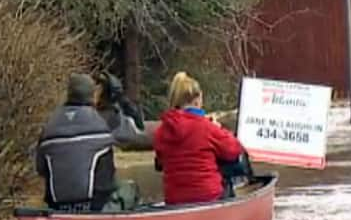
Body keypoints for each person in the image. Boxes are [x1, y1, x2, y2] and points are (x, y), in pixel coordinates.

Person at [35, 73, 146, 212]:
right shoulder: (104, 120)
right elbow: (138, 131)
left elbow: (40, 169)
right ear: (92, 95)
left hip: (57, 208)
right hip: (96, 206)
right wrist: (121, 100)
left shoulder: (50, 125)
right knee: (131, 189)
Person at [153, 71, 245, 205]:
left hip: (174, 201)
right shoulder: (207, 127)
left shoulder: (161, 131)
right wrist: (218, 128)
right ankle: (239, 199)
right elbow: (235, 149)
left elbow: (160, 162)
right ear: (197, 100)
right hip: (208, 198)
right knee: (236, 161)